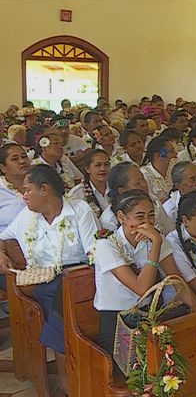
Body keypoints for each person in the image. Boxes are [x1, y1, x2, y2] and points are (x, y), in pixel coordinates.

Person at [0, 165, 98, 394]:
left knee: (69, 296)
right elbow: (2, 237)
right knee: (60, 298)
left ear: (44, 190)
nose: (23, 196)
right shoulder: (26, 216)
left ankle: (77, 368)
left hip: (79, 276)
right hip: (41, 280)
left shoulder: (79, 210)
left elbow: (94, 250)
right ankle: (67, 377)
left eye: (27, 190)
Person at [92, 190, 196, 360]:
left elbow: (175, 279)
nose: (148, 223)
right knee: (133, 373)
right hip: (116, 319)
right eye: (140, 217)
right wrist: (156, 243)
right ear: (122, 217)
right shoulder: (106, 245)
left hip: (148, 315)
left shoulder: (155, 237)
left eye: (151, 216)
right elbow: (141, 288)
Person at [101, 162, 175, 234]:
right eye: (137, 183)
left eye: (143, 179)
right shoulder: (109, 220)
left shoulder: (154, 201)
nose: (144, 185)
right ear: (122, 191)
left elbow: (169, 232)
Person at [68, 149, 111, 219]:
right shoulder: (77, 194)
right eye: (98, 165)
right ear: (87, 169)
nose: (103, 169)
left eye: (106, 164)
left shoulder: (116, 188)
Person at [0, 144, 29, 232]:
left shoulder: (40, 182)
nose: (22, 161)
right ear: (3, 168)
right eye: (15, 159)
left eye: (24, 156)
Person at [140, 136, 178, 203]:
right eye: (171, 151)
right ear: (158, 155)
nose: (176, 154)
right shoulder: (144, 174)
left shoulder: (174, 167)